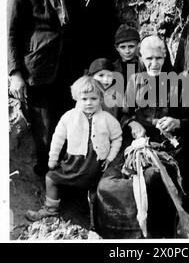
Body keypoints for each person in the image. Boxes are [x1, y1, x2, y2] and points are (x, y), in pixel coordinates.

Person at [95, 35, 189, 238]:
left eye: (158, 58)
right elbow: (123, 113)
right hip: (138, 145)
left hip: (168, 147)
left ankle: (156, 234)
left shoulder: (181, 82)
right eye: (149, 59)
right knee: (108, 182)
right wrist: (133, 122)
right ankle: (120, 234)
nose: (154, 63)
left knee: (151, 178)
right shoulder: (134, 80)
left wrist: (177, 123)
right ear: (141, 58)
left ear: (165, 56)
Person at [7, 0, 87, 176]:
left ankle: (68, 185)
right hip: (38, 74)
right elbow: (10, 35)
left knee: (71, 131)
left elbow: (84, 34)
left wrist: (86, 69)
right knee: (45, 135)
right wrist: (15, 74)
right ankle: (49, 189)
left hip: (70, 75)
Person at [25, 76, 122, 226]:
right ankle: (52, 209)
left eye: (94, 98)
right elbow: (58, 138)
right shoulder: (69, 117)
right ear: (76, 98)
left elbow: (117, 138)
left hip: (95, 165)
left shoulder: (107, 118)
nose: (89, 103)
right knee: (51, 177)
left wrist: (110, 157)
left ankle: (92, 218)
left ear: (101, 98)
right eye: (84, 99)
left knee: (94, 189)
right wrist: (53, 158)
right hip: (73, 162)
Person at [113, 24, 141, 90]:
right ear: (117, 48)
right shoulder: (111, 69)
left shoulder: (146, 67)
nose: (127, 51)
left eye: (131, 46)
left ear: (138, 46)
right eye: (123, 47)